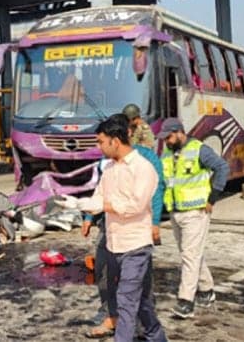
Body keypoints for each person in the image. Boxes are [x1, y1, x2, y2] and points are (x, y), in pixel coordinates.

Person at [62, 116, 167, 342]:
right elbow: (98, 197)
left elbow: (135, 206)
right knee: (143, 303)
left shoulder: (143, 168)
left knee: (126, 301)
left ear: (115, 141)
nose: (98, 147)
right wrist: (78, 204)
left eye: (101, 142)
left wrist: (103, 205)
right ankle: (157, 337)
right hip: (114, 245)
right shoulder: (109, 168)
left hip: (136, 246)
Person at [157, 118, 229, 319]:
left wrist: (212, 198)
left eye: (169, 137)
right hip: (175, 211)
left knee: (190, 255)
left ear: (180, 132)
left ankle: (186, 301)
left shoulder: (199, 150)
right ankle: (207, 291)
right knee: (191, 253)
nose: (167, 142)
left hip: (196, 211)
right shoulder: (167, 154)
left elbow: (222, 167)